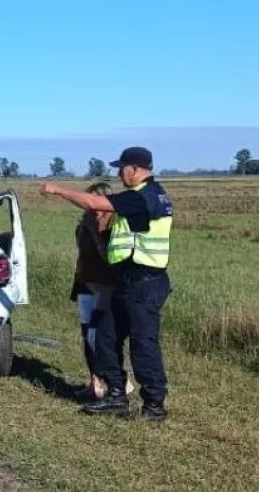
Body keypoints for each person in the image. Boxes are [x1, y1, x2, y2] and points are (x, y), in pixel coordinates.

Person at [38, 146, 173, 422]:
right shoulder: (144, 195)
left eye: (121, 167)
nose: (119, 173)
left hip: (145, 282)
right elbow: (95, 206)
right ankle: (115, 395)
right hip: (128, 280)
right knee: (105, 336)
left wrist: (58, 190)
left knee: (143, 345)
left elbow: (97, 204)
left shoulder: (144, 196)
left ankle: (154, 406)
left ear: (134, 169)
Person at [69, 182, 133, 401]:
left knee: (101, 336)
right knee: (88, 335)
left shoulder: (117, 224)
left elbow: (110, 258)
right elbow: (82, 255)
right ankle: (95, 383)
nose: (91, 207)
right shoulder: (83, 224)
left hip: (107, 286)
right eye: (88, 203)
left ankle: (119, 381)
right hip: (85, 284)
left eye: (96, 202)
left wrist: (95, 233)